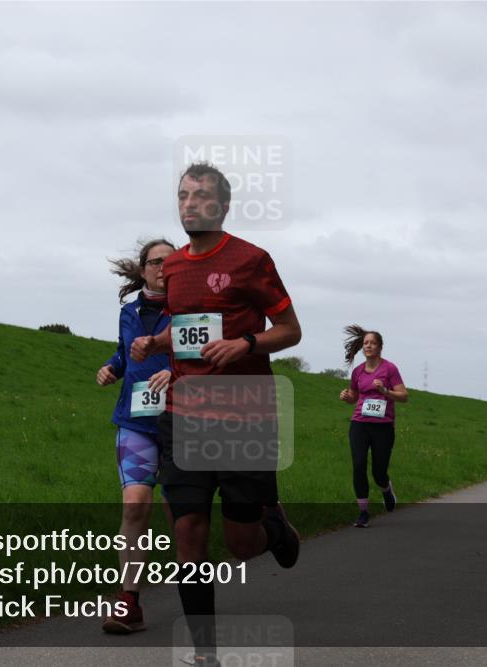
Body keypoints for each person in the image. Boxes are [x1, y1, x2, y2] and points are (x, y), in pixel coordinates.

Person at [130, 162, 302, 667]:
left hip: (243, 415)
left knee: (242, 544)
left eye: (202, 195)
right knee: (187, 531)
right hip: (184, 414)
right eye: (183, 195)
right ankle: (204, 653)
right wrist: (155, 342)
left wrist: (246, 342)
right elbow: (187, 326)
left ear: (223, 206)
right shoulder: (173, 267)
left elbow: (290, 330)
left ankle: (274, 527)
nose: (190, 203)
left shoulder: (251, 260)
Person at [95, 239, 175, 634]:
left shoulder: (191, 312)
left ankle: (196, 594)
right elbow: (124, 353)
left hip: (181, 422)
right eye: (156, 262)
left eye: (170, 262)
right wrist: (112, 367)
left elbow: (207, 357)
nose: (163, 268)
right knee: (135, 506)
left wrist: (175, 373)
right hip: (136, 422)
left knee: (183, 515)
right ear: (143, 269)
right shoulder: (128, 312)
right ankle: (129, 602)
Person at [338, 327, 408, 527]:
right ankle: (363, 512)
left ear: (380, 347)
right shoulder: (358, 371)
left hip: (383, 427)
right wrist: (346, 397)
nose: (368, 346)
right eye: (366, 343)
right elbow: (354, 396)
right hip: (359, 424)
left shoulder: (390, 369)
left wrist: (385, 391)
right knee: (359, 465)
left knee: (379, 472)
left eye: (372, 343)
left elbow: (404, 396)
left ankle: (386, 489)